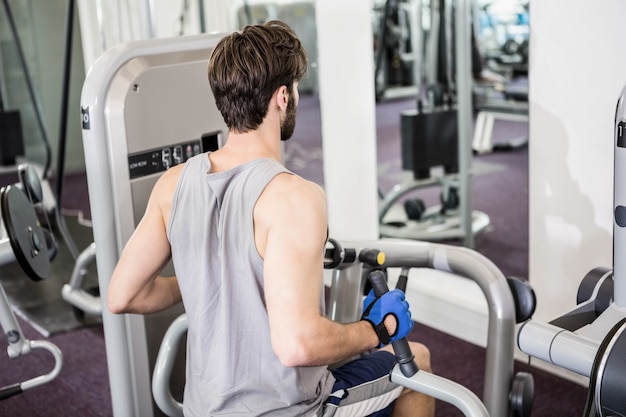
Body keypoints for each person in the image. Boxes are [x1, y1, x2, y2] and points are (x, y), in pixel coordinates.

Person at [107, 20, 435, 417]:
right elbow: (297, 345)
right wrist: (375, 331)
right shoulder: (295, 197)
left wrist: (210, 274)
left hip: (203, 409)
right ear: (283, 97)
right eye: (295, 88)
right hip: (288, 410)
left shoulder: (172, 184)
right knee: (417, 359)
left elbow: (123, 295)